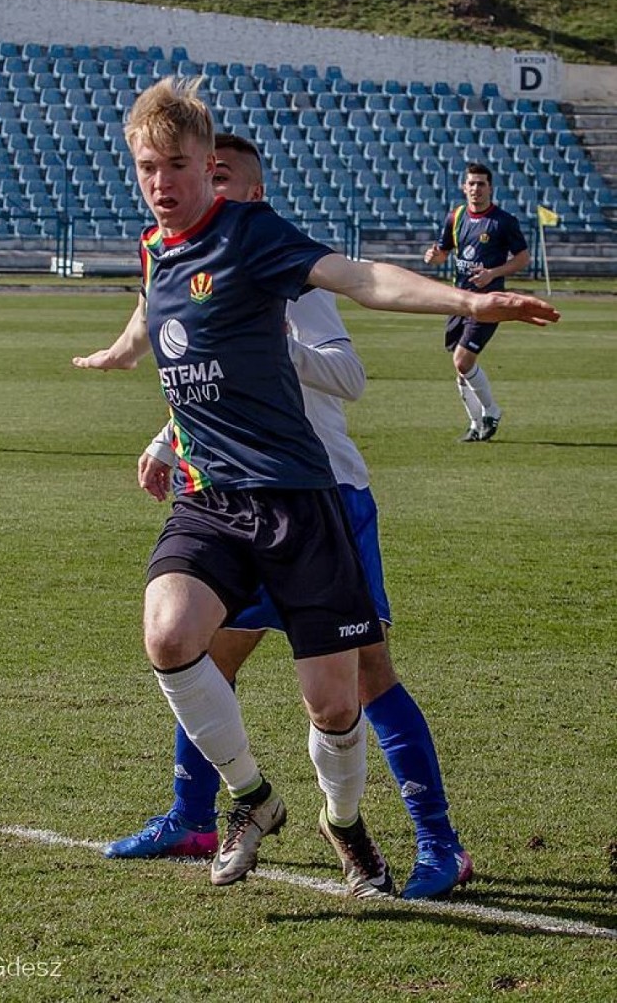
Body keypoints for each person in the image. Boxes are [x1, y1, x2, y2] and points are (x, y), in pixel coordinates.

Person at [73, 77, 557, 897]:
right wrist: (129, 360)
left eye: (184, 167)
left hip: (309, 497)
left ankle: (356, 826)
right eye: (150, 167)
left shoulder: (261, 241)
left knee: (341, 700)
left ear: (223, 175)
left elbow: (363, 282)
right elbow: (170, 331)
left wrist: (470, 298)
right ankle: (241, 804)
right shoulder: (157, 249)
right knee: (178, 641)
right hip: (214, 496)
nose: (166, 182)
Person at [424, 163, 530, 442]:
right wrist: (434, 258)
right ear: (464, 187)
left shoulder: (503, 221)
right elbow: (443, 253)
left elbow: (522, 258)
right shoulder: (455, 217)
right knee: (460, 369)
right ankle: (475, 425)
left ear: (490, 188)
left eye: (481, 184)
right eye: (471, 183)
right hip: (459, 301)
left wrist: (493, 273)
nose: (475, 188)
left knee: (463, 360)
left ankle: (492, 411)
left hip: (488, 303)